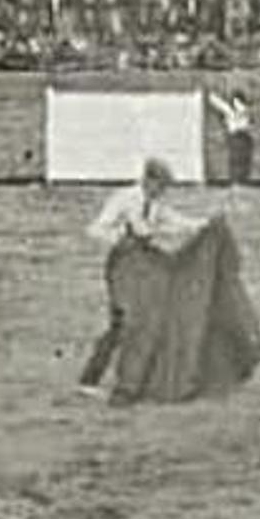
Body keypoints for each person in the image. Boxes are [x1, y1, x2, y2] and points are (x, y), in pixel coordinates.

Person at [78, 157, 204, 395]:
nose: (163, 192)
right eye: (161, 186)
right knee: (123, 322)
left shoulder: (155, 205)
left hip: (144, 266)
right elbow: (95, 228)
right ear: (148, 180)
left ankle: (138, 378)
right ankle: (89, 379)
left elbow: (175, 221)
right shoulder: (124, 199)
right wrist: (120, 237)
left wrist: (203, 225)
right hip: (122, 266)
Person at [208, 88, 254, 185]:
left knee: (241, 159)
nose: (237, 104)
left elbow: (247, 122)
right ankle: (236, 180)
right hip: (235, 136)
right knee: (235, 159)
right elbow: (220, 106)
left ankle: (241, 179)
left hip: (242, 136)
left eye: (238, 102)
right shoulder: (231, 111)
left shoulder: (243, 111)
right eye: (235, 102)